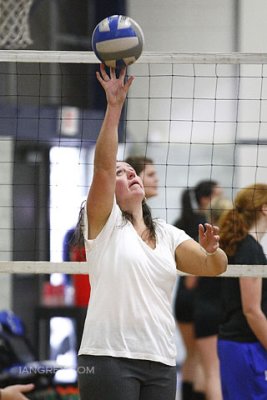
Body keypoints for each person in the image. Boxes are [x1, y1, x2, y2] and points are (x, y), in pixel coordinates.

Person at [77, 64, 227, 400]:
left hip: (160, 359)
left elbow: (214, 267)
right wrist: (114, 107)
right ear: (107, 189)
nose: (129, 174)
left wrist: (213, 249)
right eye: (121, 173)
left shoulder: (168, 233)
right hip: (108, 358)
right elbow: (102, 167)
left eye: (132, 171)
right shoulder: (103, 224)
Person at [173, 181, 223, 400]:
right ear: (206, 199)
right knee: (206, 362)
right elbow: (193, 278)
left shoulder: (180, 221)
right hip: (198, 299)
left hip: (182, 299)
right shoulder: (206, 227)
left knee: (192, 356)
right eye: (219, 196)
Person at [217, 183, 267, 400]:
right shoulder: (250, 249)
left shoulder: (243, 245)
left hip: (237, 346)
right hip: (245, 346)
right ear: (265, 208)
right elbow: (251, 311)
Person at [194, 196, 232, 400]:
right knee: (212, 371)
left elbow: (191, 283)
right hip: (221, 310)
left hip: (204, 310)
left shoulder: (205, 242)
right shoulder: (233, 242)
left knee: (207, 369)